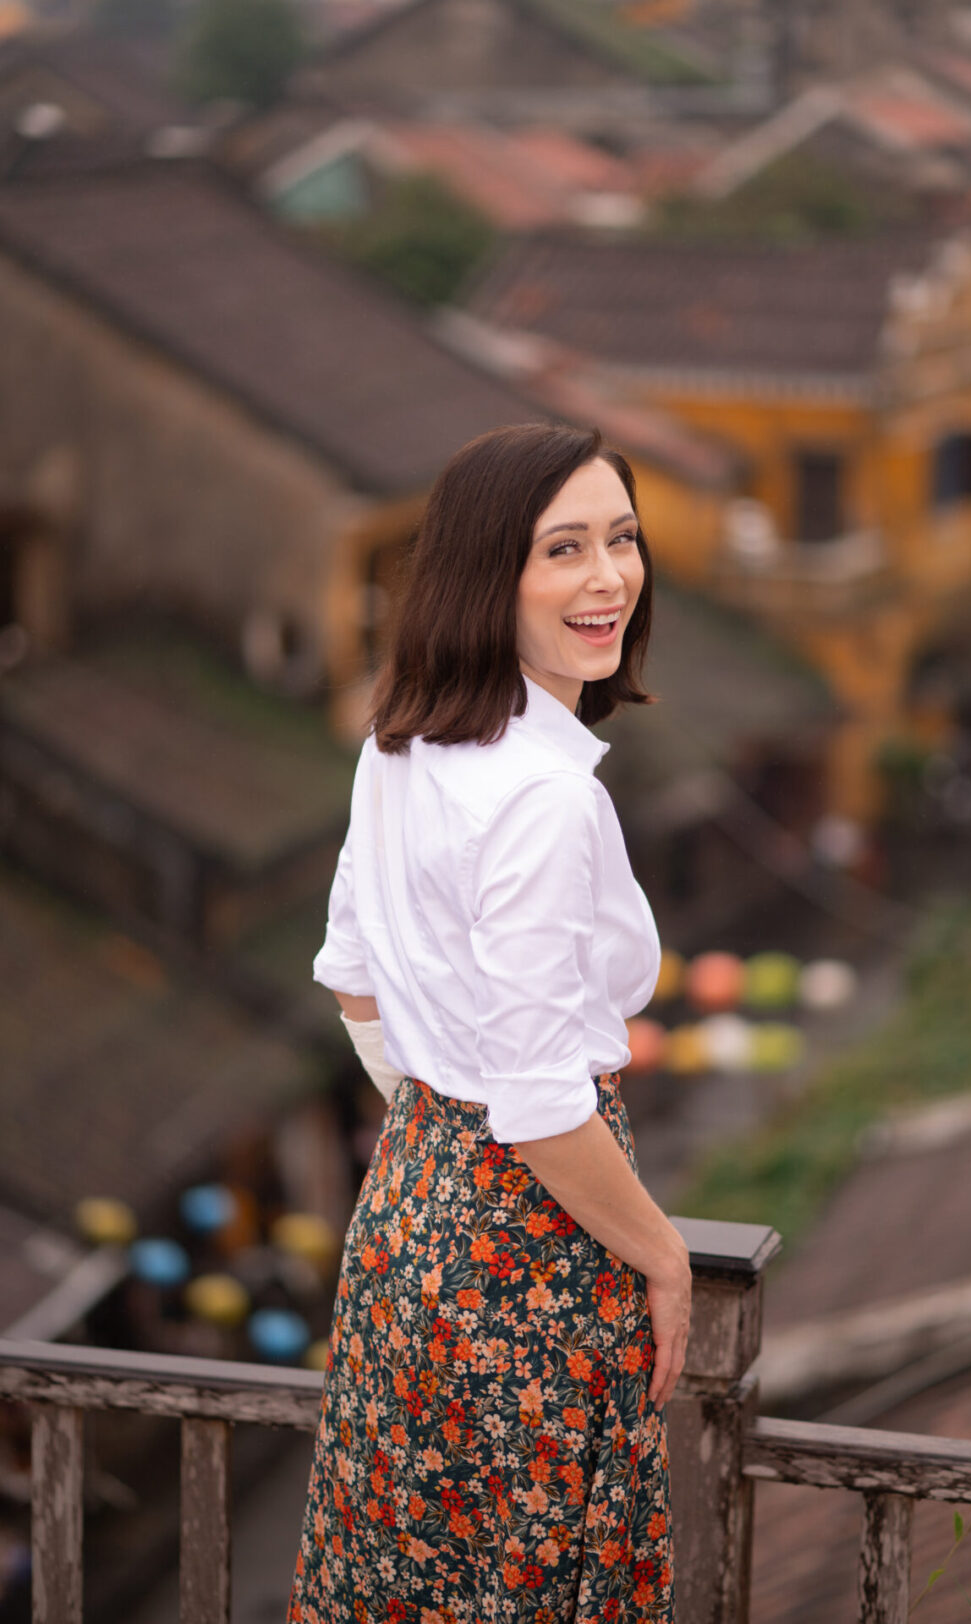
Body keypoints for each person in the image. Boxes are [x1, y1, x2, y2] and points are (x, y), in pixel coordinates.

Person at [289, 423, 691, 1624]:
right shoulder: (544, 797)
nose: (609, 577)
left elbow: (354, 976)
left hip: (408, 1210)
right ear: (488, 576)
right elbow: (537, 1099)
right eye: (562, 549)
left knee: (406, 1573)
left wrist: (436, 1117)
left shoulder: (398, 741)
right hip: (532, 1244)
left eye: (621, 539)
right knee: (540, 1575)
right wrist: (664, 1255)